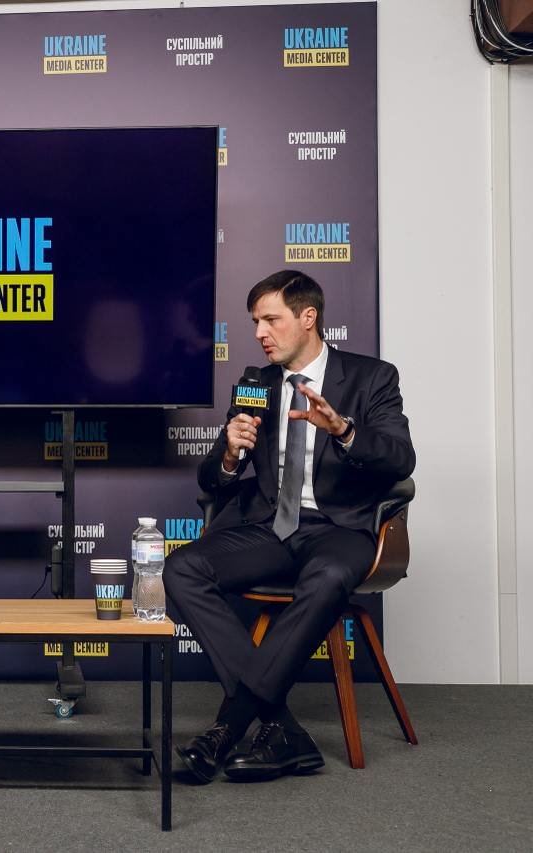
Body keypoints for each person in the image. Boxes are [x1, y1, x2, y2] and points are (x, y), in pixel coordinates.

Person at [165, 270, 415, 783]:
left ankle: (228, 728)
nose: (260, 333)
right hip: (270, 529)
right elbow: (211, 478)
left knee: (328, 576)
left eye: (271, 320)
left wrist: (343, 430)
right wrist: (230, 453)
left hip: (339, 530)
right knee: (182, 568)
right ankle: (284, 731)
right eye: (255, 322)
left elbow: (400, 458)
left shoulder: (371, 378)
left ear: (308, 318)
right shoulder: (255, 383)